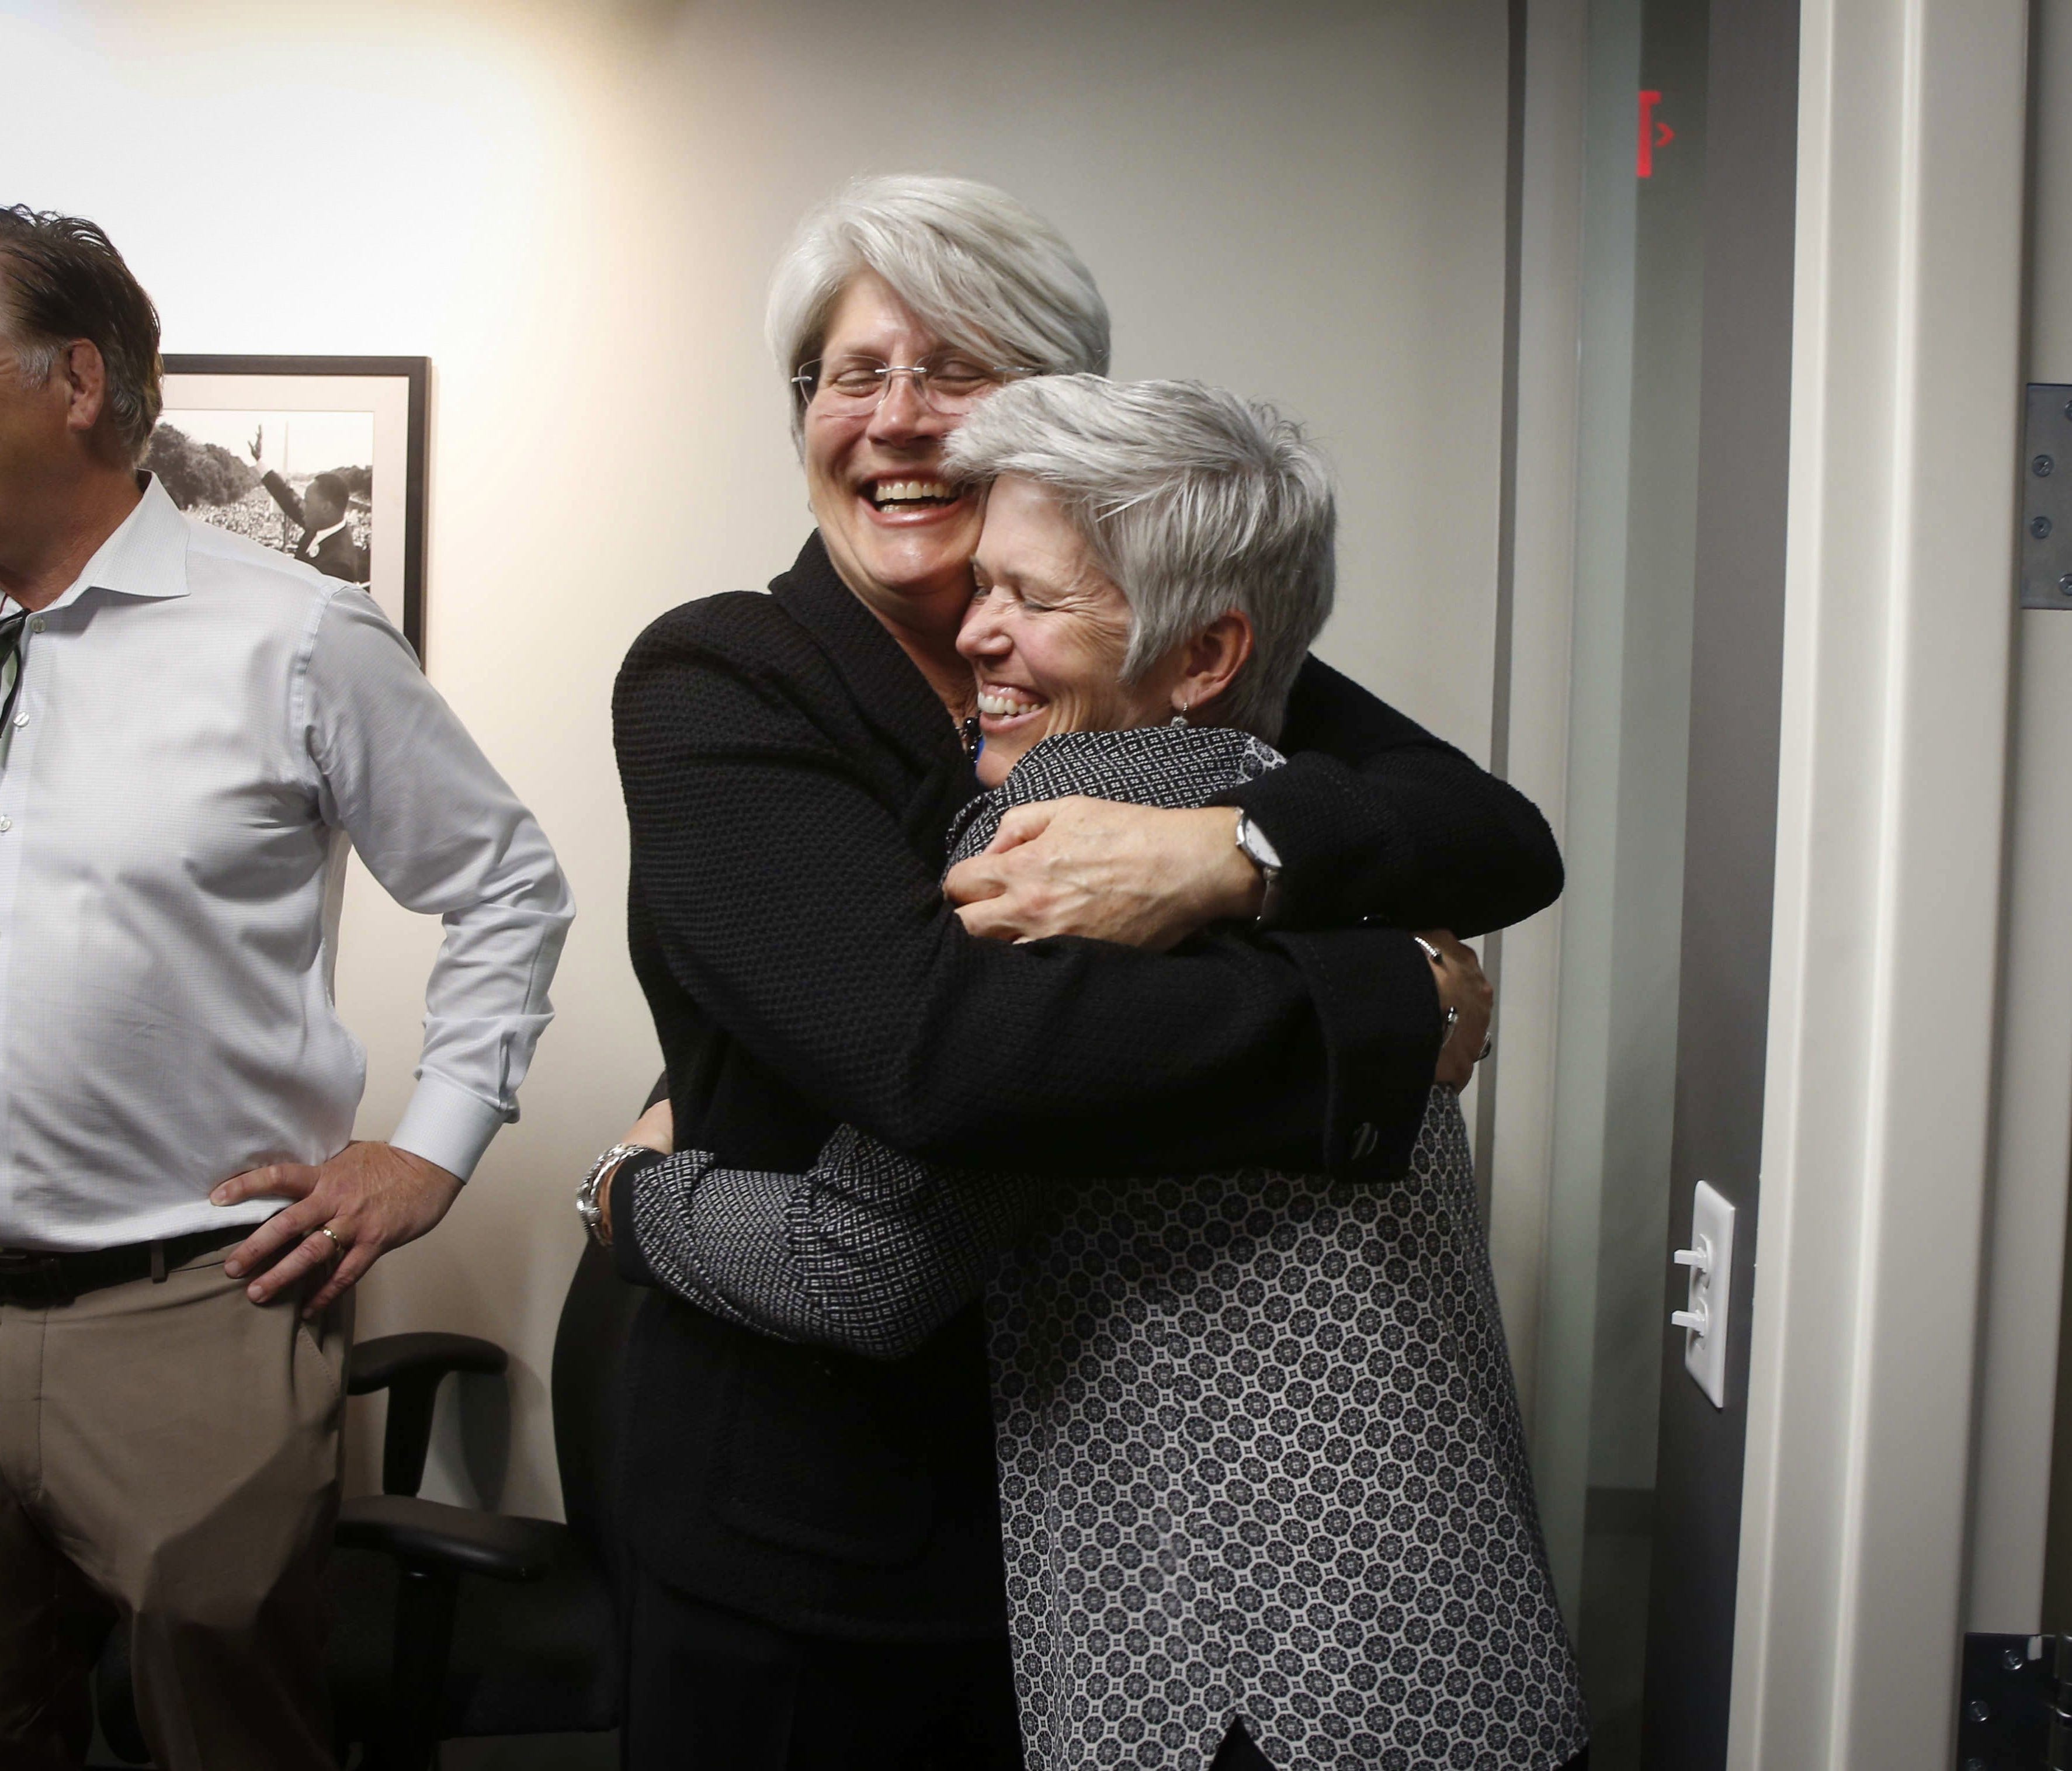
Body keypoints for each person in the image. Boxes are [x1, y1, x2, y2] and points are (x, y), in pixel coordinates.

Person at [595, 174, 1561, 1769]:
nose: (898, 420)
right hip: (819, 1537)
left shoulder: (1131, 650)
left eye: (955, 371)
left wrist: (1225, 852)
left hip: (1112, 1539)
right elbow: (945, 1054)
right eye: (851, 374)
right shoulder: (723, 676)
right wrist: (1390, 1007)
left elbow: (1488, 832)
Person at [0, 207, 573, 1771]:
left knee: (229, 1733)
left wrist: (428, 1146)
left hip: (192, 1307)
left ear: (78, 381)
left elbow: (508, 884)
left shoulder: (293, 636)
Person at [249, 433, 371, 582]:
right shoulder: (322, 524)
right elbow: (288, 498)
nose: (302, 506)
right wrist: (260, 462)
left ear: (325, 508)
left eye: (307, 502)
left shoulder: (340, 565)